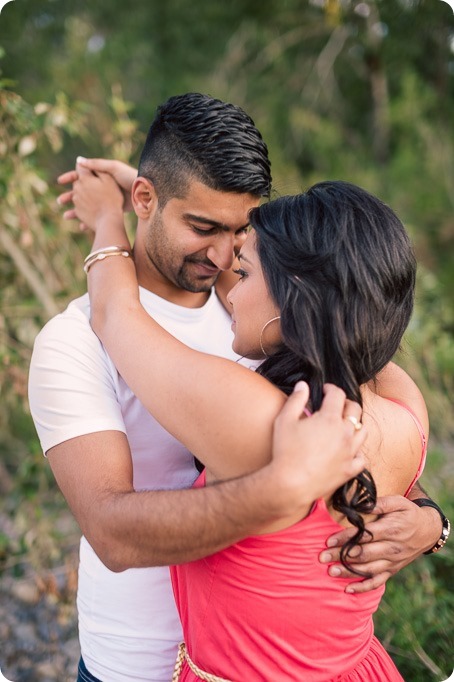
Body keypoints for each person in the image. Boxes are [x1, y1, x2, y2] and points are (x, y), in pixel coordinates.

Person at [28, 93, 446, 682]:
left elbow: (117, 313)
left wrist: (428, 519)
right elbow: (112, 532)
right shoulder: (72, 341)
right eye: (203, 227)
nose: (225, 256)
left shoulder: (251, 324)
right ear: (146, 200)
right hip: (138, 661)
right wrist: (275, 492)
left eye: (241, 236)